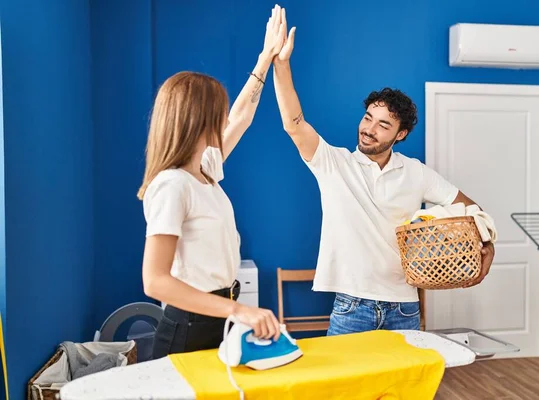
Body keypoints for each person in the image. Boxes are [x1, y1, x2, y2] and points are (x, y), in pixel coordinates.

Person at [271, 17, 495, 336]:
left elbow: (472, 209)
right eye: (367, 118)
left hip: (404, 306)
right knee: (346, 388)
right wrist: (282, 65)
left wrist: (488, 243)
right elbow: (294, 124)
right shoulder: (332, 162)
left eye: (382, 125)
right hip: (352, 306)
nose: (369, 129)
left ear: (400, 134)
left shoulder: (415, 171)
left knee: (404, 387)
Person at [138, 5, 287, 359]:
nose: (224, 115)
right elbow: (155, 280)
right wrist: (240, 311)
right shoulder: (172, 185)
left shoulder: (205, 169)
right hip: (189, 327)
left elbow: (242, 116)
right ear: (199, 119)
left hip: (216, 319)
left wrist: (266, 58)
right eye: (218, 110)